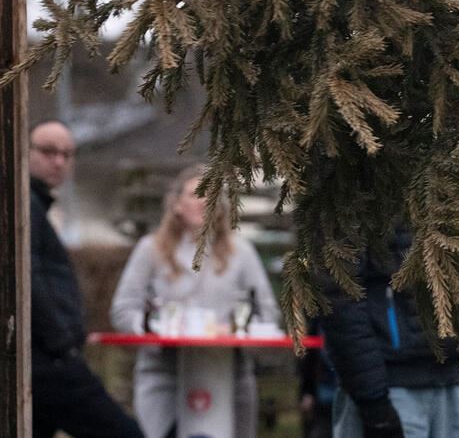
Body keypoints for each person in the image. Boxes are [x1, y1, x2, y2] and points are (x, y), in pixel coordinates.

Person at [110, 163, 280, 438]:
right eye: (194, 193)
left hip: (229, 373)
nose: (203, 200)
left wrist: (239, 331)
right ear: (176, 203)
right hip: (164, 373)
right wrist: (156, 331)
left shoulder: (242, 252)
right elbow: (123, 310)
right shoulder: (150, 250)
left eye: (211, 193)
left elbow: (267, 313)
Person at [28, 119, 145, 438]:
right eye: (49, 151)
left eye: (67, 154)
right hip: (50, 362)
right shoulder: (25, 207)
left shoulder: (37, 206)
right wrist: (61, 344)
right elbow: (31, 279)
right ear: (25, 152)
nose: (59, 162)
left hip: (44, 360)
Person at [321, 227, 459, 438]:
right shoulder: (355, 202)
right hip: (389, 387)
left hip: (457, 385)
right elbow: (340, 298)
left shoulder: (458, 198)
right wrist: (372, 400)